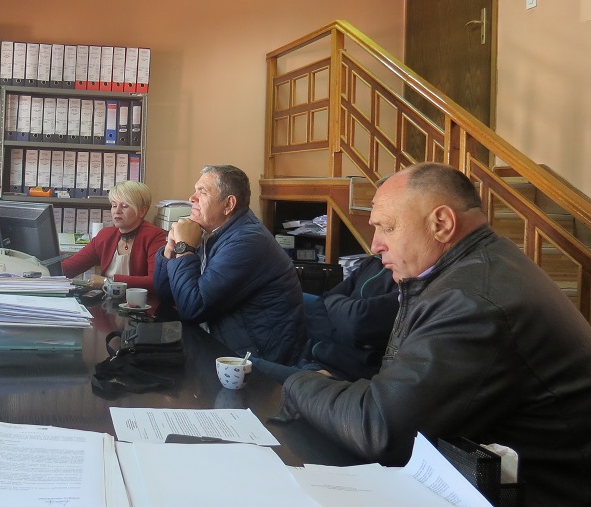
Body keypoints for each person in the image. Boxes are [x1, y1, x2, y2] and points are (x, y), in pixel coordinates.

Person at [273, 162, 591, 506]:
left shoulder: (472, 300)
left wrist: (299, 383)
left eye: (387, 228)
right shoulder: (477, 269)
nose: (376, 244)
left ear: (441, 224)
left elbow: (382, 428)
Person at [154, 165, 305, 364]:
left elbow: (192, 308)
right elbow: (166, 295)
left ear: (229, 204)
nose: (192, 198)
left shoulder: (248, 241)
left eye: (202, 192)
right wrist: (171, 248)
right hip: (221, 344)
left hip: (254, 359)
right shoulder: (210, 232)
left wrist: (185, 248)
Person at [252, 255, 398, 383]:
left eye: (389, 232)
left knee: (244, 369)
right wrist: (339, 329)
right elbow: (322, 301)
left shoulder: (406, 287)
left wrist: (333, 305)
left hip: (339, 378)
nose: (375, 245)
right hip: (311, 359)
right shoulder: (373, 262)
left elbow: (358, 321)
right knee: (244, 370)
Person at [62, 180, 166, 291]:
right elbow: (69, 268)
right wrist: (48, 269)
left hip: (139, 301)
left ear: (141, 211)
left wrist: (108, 282)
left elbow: (155, 281)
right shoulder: (105, 235)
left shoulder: (155, 236)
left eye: (124, 206)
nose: (117, 211)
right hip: (107, 300)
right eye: (114, 205)